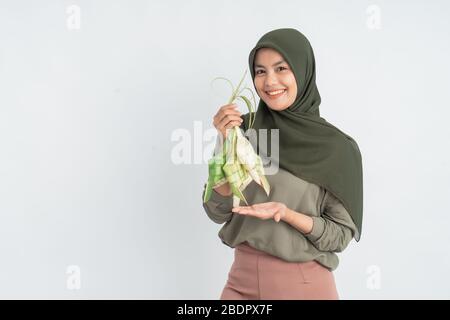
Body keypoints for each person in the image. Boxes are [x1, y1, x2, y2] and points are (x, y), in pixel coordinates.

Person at [202, 28, 363, 300]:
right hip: (239, 284)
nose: (269, 81)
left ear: (302, 71)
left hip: (304, 286)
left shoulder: (337, 149)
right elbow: (217, 212)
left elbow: (339, 236)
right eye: (261, 71)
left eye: (281, 68)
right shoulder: (244, 130)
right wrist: (223, 143)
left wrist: (287, 214)